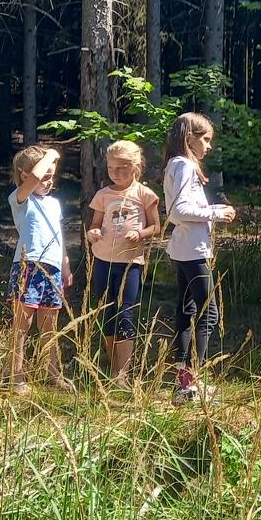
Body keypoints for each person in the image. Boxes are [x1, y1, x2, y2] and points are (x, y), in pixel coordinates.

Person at [163, 113, 236, 404]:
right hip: (193, 251)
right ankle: (190, 381)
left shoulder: (175, 164)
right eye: (204, 139)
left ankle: (184, 382)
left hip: (185, 249)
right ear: (188, 138)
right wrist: (216, 213)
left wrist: (211, 210)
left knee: (187, 312)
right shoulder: (183, 165)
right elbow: (178, 211)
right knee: (209, 313)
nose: (208, 146)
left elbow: (180, 209)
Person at [86, 140, 161, 384]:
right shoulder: (103, 195)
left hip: (130, 263)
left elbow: (156, 227)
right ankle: (113, 367)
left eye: (121, 168)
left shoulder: (145, 195)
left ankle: (123, 372)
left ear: (135, 167)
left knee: (126, 312)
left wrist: (140, 234)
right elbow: (95, 225)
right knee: (107, 311)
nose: (115, 173)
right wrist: (92, 233)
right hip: (103, 260)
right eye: (111, 168)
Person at [6, 145, 73, 394]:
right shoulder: (21, 199)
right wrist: (52, 154)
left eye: (52, 176)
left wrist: (65, 264)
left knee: (49, 324)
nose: (48, 181)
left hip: (52, 268)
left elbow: (59, 235)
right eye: (45, 176)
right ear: (24, 175)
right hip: (29, 265)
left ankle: (52, 373)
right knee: (22, 323)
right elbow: (35, 177)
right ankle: (16, 376)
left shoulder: (54, 204)